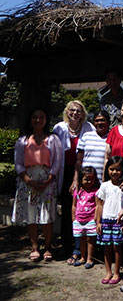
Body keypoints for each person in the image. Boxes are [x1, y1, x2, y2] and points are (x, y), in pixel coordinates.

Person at [12, 108, 62, 262]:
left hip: (47, 180)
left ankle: (48, 247)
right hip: (27, 181)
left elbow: (57, 162)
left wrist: (49, 179)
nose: (38, 120)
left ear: (46, 120)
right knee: (31, 215)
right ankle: (34, 247)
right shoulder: (23, 141)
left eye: (41, 117)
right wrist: (28, 180)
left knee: (47, 216)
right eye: (35, 117)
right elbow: (18, 163)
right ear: (31, 120)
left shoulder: (53, 139)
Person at [53, 100, 95, 263]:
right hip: (64, 172)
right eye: (72, 110)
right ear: (67, 111)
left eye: (78, 110)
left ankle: (83, 247)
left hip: (82, 173)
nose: (75, 113)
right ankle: (66, 245)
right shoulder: (59, 128)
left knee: (83, 211)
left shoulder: (88, 127)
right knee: (67, 211)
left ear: (83, 113)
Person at [96, 156, 123, 285]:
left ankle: (116, 272)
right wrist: (98, 222)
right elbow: (99, 205)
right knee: (106, 247)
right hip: (105, 220)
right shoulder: (104, 186)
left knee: (117, 247)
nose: (114, 172)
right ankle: (108, 271)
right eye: (111, 169)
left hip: (118, 221)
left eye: (118, 170)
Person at [72, 166, 100, 269]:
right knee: (81, 239)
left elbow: (98, 206)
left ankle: (89, 258)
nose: (89, 181)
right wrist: (73, 218)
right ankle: (82, 257)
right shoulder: (77, 191)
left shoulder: (96, 191)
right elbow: (74, 205)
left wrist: (96, 219)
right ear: (81, 179)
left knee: (90, 240)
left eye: (92, 179)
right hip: (79, 220)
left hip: (90, 220)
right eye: (86, 179)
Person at [74, 110, 110, 183]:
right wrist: (75, 180)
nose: (99, 123)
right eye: (97, 121)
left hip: (104, 183)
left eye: (102, 120)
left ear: (109, 122)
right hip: (86, 183)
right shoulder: (86, 136)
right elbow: (79, 161)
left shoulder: (112, 137)